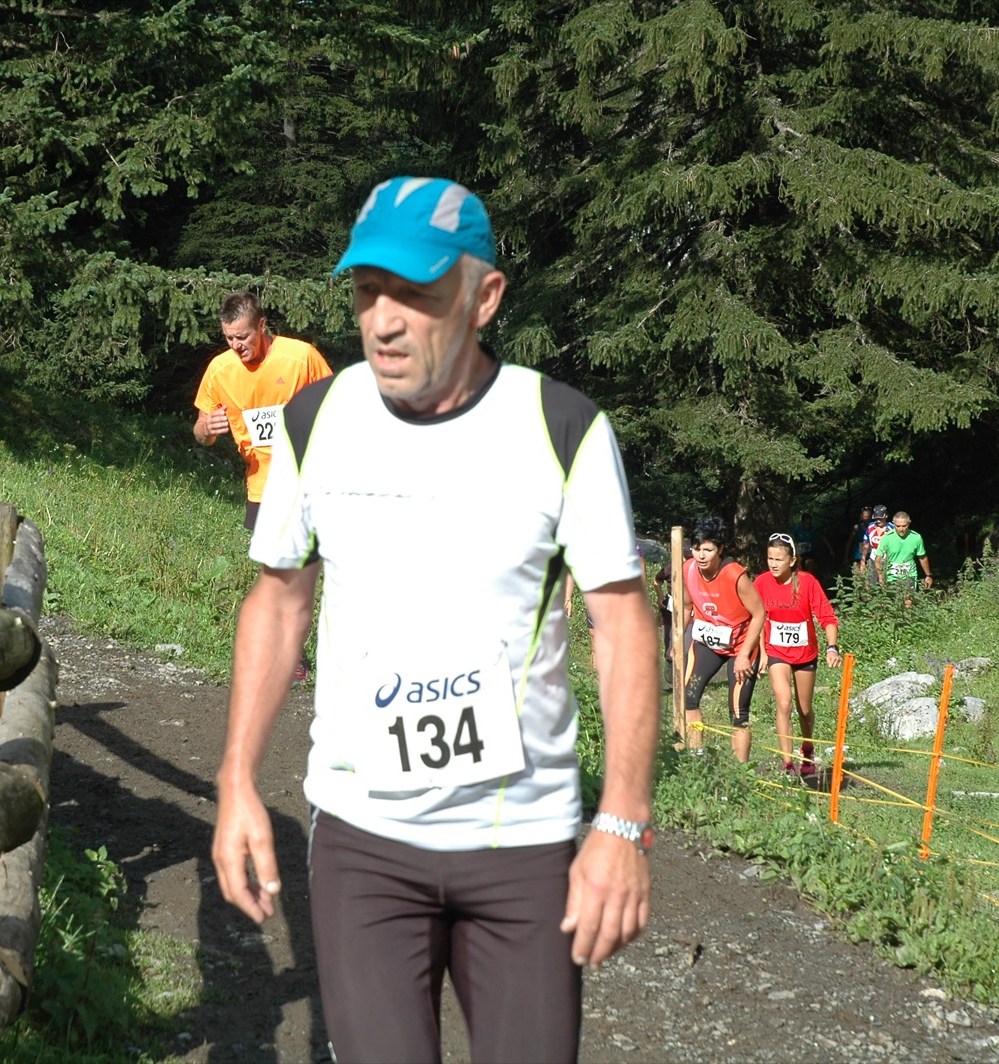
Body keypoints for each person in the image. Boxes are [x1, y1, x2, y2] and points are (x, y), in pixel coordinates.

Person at [211, 176, 659, 1063]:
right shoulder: (316, 419)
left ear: (483, 297)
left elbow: (623, 628)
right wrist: (236, 781)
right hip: (363, 840)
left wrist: (622, 823)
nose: (383, 321)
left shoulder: (561, 427)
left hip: (522, 842)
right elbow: (278, 600)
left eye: (414, 295)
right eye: (367, 291)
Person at [192, 291, 333, 531]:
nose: (235, 345)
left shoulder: (302, 357)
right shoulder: (219, 370)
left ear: (261, 325)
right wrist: (207, 429)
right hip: (262, 488)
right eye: (229, 338)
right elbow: (201, 434)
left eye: (242, 337)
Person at [680, 517, 766, 762]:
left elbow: (759, 613)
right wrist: (676, 641)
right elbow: (686, 606)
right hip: (708, 641)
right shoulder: (688, 569)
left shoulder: (735, 575)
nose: (701, 555)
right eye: (696, 548)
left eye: (708, 550)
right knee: (688, 697)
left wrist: (744, 655)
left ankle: (741, 771)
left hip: (741, 645)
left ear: (720, 550)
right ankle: (696, 756)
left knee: (738, 713)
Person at [756, 533, 840, 778]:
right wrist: (761, 653)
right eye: (770, 558)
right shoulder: (761, 582)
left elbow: (827, 617)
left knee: (804, 710)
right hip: (776, 652)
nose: (773, 564)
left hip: (805, 654)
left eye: (779, 559)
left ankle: (807, 748)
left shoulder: (807, 582)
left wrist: (832, 647)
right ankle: (788, 763)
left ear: (792, 560)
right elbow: (756, 619)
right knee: (784, 703)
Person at [875, 511, 932, 589]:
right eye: (898, 526)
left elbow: (922, 558)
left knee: (908, 597)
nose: (901, 529)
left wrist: (928, 575)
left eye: (904, 526)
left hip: (910, 577)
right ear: (893, 523)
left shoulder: (916, 538)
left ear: (909, 523)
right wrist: (881, 576)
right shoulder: (887, 538)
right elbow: (878, 559)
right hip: (891, 578)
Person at [864, 504, 891, 583]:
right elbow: (866, 543)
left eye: (881, 518)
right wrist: (863, 561)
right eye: (876, 519)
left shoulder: (892, 528)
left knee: (885, 583)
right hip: (873, 558)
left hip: (888, 560)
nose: (878, 521)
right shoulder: (870, 526)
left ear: (886, 516)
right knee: (870, 583)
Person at [848, 505, 873, 579]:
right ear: (861, 517)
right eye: (865, 516)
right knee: (860, 577)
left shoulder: (874, 528)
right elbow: (849, 542)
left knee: (870, 578)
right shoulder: (857, 527)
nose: (867, 519)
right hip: (858, 556)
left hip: (871, 556)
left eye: (869, 516)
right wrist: (846, 557)